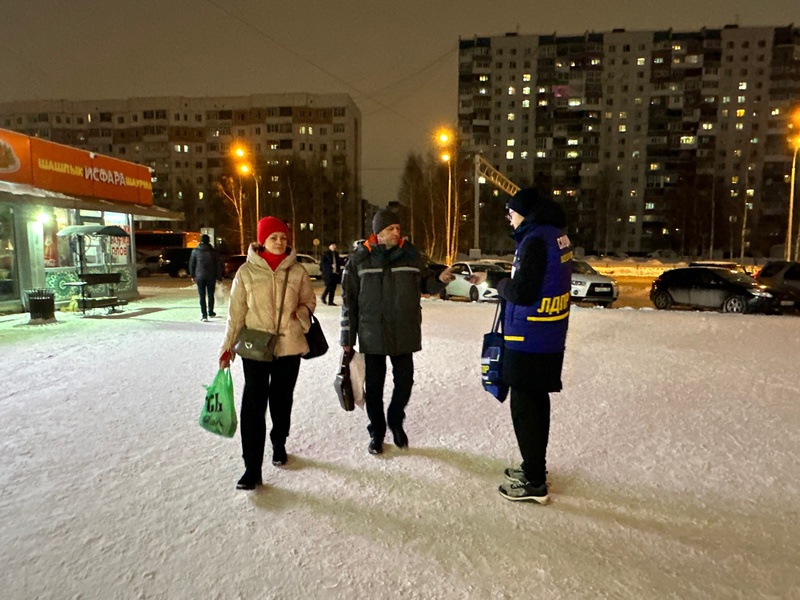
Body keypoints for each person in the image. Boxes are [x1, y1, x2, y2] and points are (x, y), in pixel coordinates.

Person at [340, 210, 455, 455]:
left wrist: (441, 279)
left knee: (405, 382)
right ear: (378, 233)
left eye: (398, 228)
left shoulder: (411, 257)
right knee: (374, 387)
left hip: (405, 330)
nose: (396, 232)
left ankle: (395, 418)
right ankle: (377, 433)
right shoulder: (359, 260)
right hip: (372, 333)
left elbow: (426, 283)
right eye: (391, 228)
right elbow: (349, 302)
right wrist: (347, 340)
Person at [218, 216, 316, 490]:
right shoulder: (246, 273)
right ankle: (252, 468)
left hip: (289, 347)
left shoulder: (297, 271)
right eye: (273, 238)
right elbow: (236, 314)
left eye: (283, 238)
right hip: (255, 347)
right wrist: (227, 348)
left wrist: (303, 312)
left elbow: (309, 300)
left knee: (282, 401)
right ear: (262, 241)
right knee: (253, 406)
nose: (279, 242)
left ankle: (279, 441)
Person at [495, 188, 572, 504]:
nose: (509, 218)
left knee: (526, 409)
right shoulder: (555, 235)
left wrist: (501, 284)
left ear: (525, 213)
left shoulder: (535, 240)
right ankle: (533, 467)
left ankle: (534, 482)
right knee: (536, 404)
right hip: (547, 334)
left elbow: (524, 292)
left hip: (529, 338)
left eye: (511, 212)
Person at [189, 234, 223, 322]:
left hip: (200, 276)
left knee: (202, 296)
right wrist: (219, 277)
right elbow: (218, 265)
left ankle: (204, 315)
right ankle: (211, 312)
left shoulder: (195, 251)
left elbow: (192, 264)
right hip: (211, 276)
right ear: (209, 241)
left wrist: (193, 275)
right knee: (210, 295)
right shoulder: (214, 252)